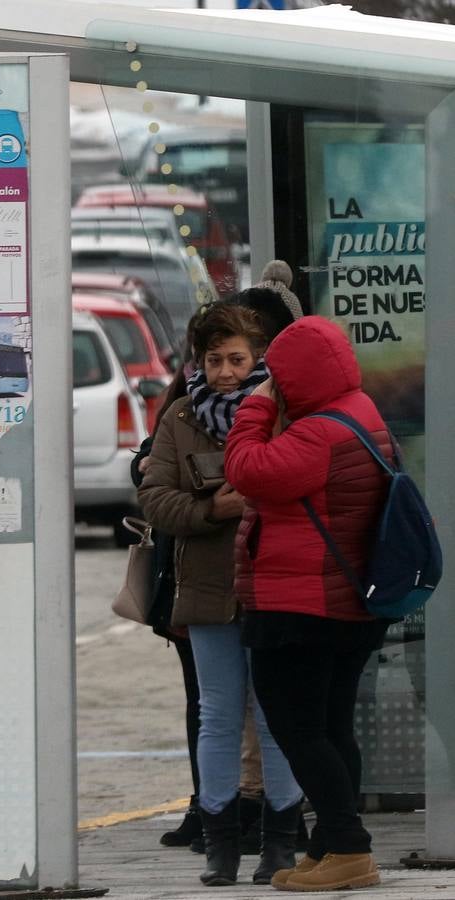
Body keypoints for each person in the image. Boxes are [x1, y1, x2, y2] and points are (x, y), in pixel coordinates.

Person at [138, 303, 303, 887]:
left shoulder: (280, 411)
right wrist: (214, 508)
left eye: (237, 359)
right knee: (218, 715)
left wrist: (256, 493)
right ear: (198, 362)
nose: (226, 372)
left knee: (276, 710)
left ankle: (282, 840)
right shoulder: (181, 416)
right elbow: (154, 498)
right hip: (207, 590)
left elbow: (301, 485)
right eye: (214, 361)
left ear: (258, 357)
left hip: (271, 585)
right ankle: (221, 844)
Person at [224, 315, 391, 892]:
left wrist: (257, 409)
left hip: (300, 605)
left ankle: (349, 849)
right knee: (330, 727)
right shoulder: (360, 411)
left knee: (298, 729)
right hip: (345, 601)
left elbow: (247, 471)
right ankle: (329, 847)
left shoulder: (319, 431)